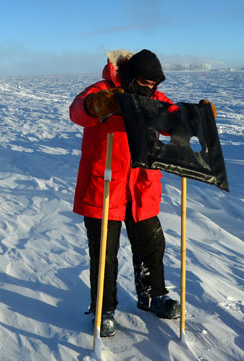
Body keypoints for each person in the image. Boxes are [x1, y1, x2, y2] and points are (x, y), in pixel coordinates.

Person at [68, 49, 180, 338]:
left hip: (142, 187)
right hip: (104, 186)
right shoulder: (104, 90)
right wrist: (96, 105)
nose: (151, 88)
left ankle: (153, 295)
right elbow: (77, 111)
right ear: (131, 77)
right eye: (145, 82)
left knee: (152, 244)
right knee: (105, 252)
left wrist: (196, 116)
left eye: (155, 84)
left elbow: (173, 119)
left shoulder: (154, 98)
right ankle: (103, 309)